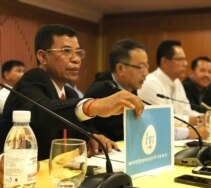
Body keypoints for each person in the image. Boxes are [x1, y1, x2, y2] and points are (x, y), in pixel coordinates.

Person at [0, 24, 144, 161]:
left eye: (78, 52)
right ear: (43, 57)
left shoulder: (70, 93)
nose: (76, 59)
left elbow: (82, 127)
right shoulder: (32, 80)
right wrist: (93, 106)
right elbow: (43, 112)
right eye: (66, 51)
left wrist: (92, 136)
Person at [138, 40, 208, 140]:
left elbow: (186, 110)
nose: (185, 64)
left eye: (185, 59)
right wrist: (198, 119)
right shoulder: (150, 83)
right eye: (180, 59)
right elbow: (162, 120)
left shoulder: (177, 82)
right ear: (164, 62)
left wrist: (204, 117)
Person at [84, 39, 149, 141]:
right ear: (120, 69)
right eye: (140, 67)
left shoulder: (130, 86)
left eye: (146, 66)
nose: (146, 73)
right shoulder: (102, 90)